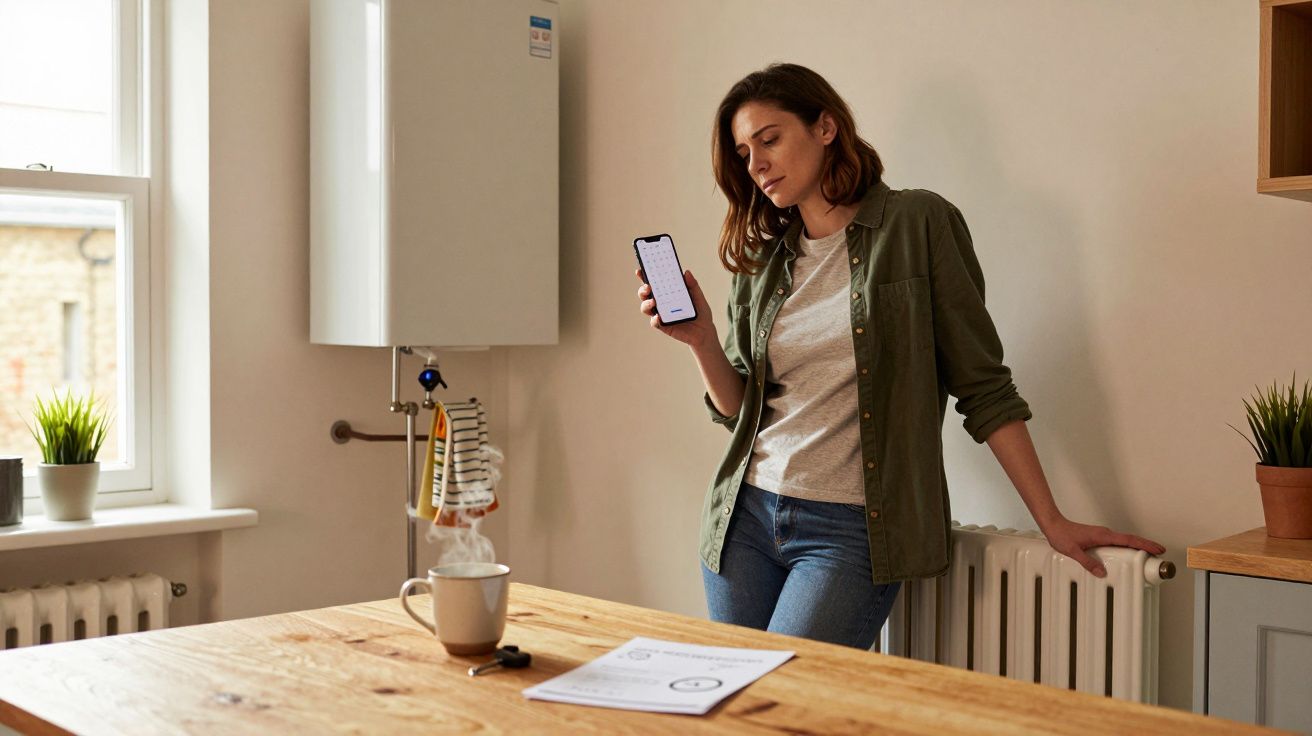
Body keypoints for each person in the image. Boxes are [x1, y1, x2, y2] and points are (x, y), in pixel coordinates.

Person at [635, 63, 1166, 650]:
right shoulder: (764, 262)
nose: (756, 164)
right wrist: (702, 340)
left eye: (770, 139)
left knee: (796, 697)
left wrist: (1053, 520)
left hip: (849, 530)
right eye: (742, 152)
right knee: (739, 704)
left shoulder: (918, 223)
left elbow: (983, 386)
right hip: (744, 519)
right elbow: (738, 411)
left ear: (826, 128)